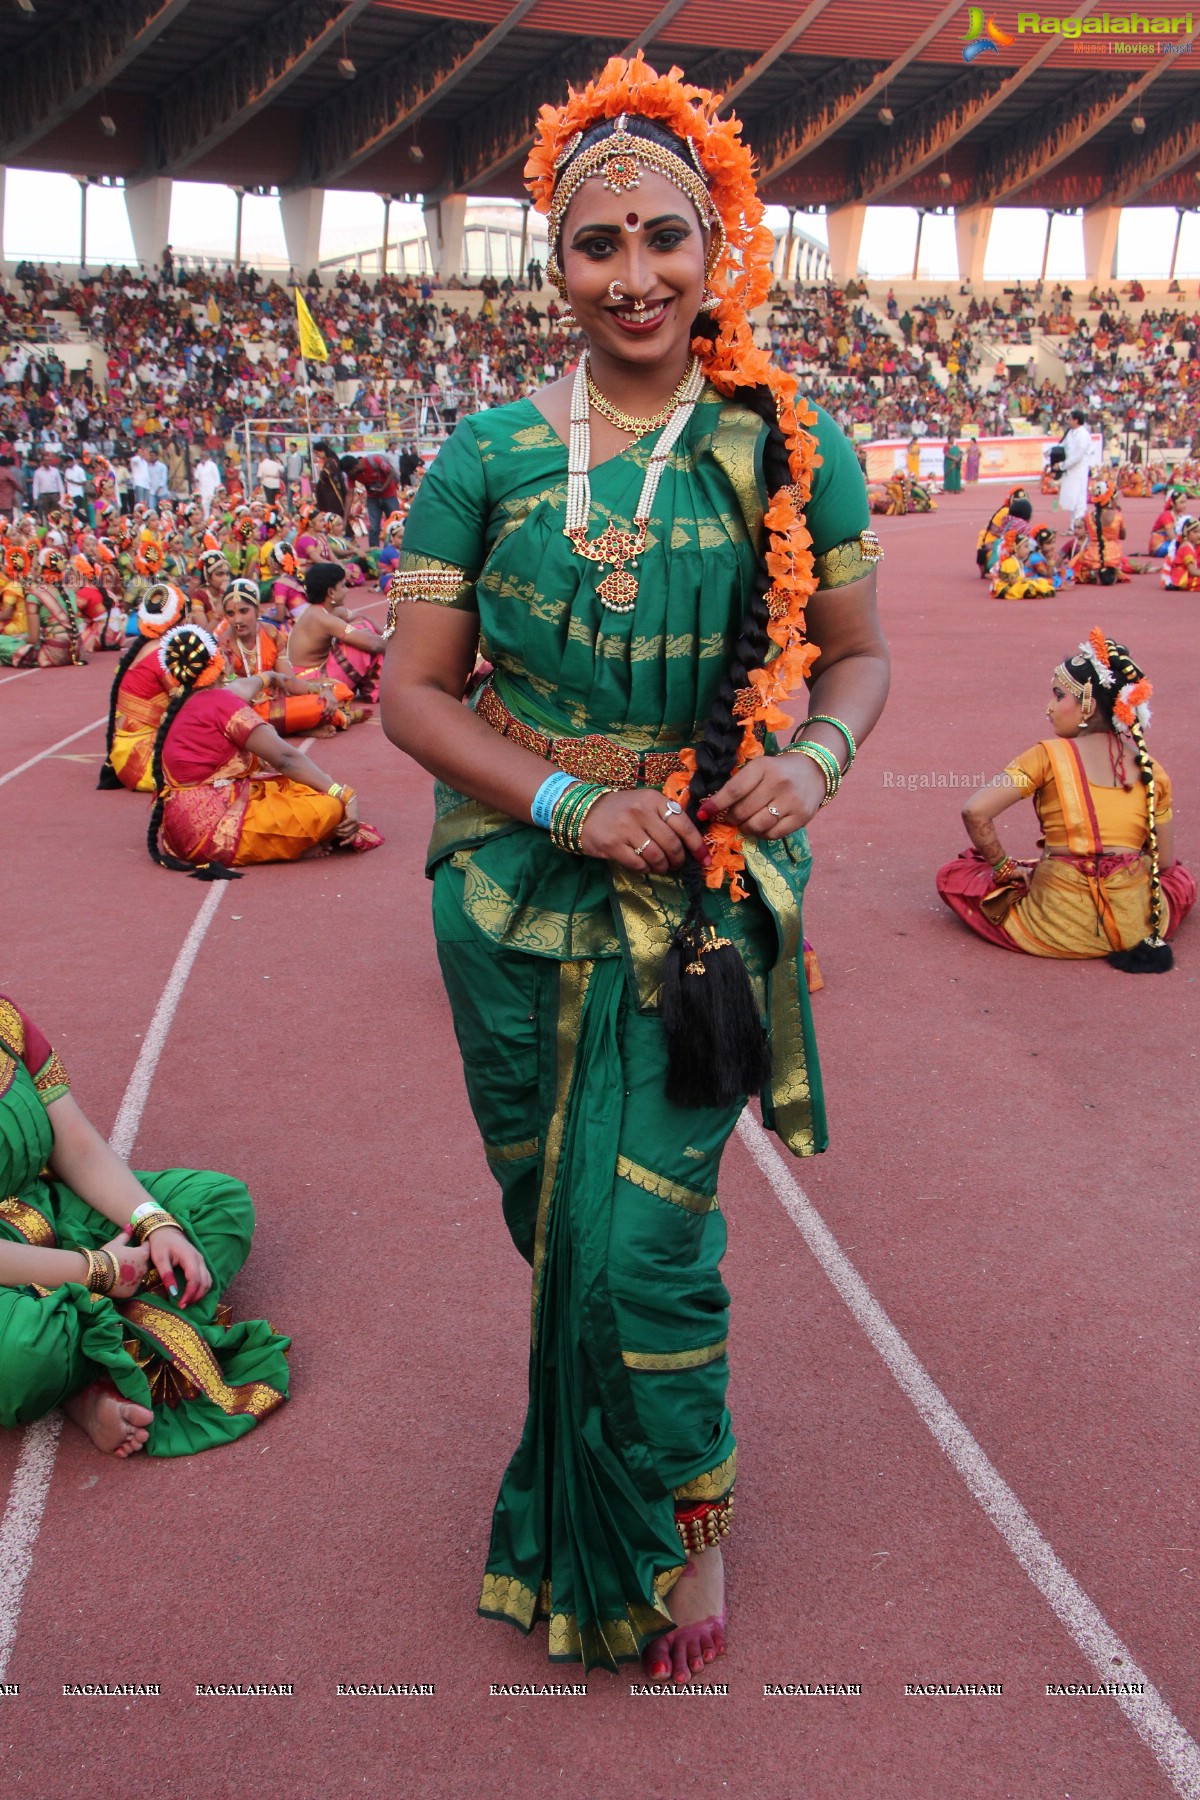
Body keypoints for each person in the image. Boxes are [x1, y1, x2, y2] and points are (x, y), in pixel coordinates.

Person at [380, 56, 888, 1680]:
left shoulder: (793, 450)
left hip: (699, 914)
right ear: (554, 263)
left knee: (646, 1236)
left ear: (718, 236)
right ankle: (603, 1463)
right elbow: (409, 695)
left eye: (665, 236)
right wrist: (560, 806)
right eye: (596, 247)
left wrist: (814, 757)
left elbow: (860, 661)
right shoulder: (485, 456)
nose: (635, 275)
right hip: (512, 899)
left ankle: (689, 1522)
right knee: (559, 1233)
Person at [0, 993, 290, 1457]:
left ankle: (92, 1356)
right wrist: (98, 1271)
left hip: (47, 1205)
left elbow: (76, 1147)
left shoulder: (3, 1017)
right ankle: (85, 1389)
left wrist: (156, 1225)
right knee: (24, 1355)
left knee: (218, 1206)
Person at [937, 630, 1194, 969]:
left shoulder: (1047, 755)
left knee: (959, 872)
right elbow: (1164, 864)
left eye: (1059, 696)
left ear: (1087, 703)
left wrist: (1005, 868)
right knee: (1180, 880)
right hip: (1137, 927)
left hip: (1057, 926)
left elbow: (975, 811)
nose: (1049, 707)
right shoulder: (1152, 769)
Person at [147, 625, 382, 874]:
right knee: (329, 809)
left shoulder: (185, 701)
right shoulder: (221, 702)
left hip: (177, 826)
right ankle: (298, 844)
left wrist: (269, 677)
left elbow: (248, 685)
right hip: (210, 831)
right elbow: (286, 759)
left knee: (298, 786)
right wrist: (343, 794)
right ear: (219, 662)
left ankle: (297, 838)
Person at [216, 578, 345, 735]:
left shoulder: (271, 633)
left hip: (276, 702)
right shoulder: (223, 644)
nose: (237, 620)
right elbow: (226, 697)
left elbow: (289, 682)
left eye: (243, 611)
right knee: (319, 707)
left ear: (257, 610)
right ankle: (300, 728)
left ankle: (294, 726)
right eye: (230, 614)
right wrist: (230, 676)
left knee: (338, 690)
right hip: (245, 709)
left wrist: (322, 690)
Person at [96, 582, 188, 791]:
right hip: (140, 759)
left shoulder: (149, 647)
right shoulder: (161, 655)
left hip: (127, 752)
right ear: (177, 621)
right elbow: (187, 701)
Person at [285, 562, 385, 712]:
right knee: (362, 643)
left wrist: (384, 634)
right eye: (343, 586)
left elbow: (361, 617)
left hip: (316, 670)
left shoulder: (325, 610)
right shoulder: (321, 618)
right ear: (331, 592)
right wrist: (405, 647)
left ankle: (374, 687)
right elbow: (373, 644)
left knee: (363, 626)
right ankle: (377, 688)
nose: (346, 590)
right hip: (308, 679)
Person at [338, 452, 398, 547]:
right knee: (374, 528)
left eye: (348, 472)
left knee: (394, 524)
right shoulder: (352, 475)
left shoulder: (374, 461)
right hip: (373, 498)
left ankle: (392, 551)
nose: (349, 475)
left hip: (389, 495)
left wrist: (383, 488)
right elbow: (350, 495)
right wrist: (345, 519)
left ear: (353, 467)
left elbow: (391, 472)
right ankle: (374, 552)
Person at [991, 529, 1054, 599]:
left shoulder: (1018, 561)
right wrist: (1028, 580)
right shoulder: (1010, 562)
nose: (1029, 550)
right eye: (1026, 547)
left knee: (1042, 581)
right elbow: (1013, 582)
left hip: (1019, 582)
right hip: (1009, 586)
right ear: (1016, 549)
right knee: (1027, 586)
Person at [1056, 408, 1092, 526]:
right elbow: (1061, 446)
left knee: (1079, 499)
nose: (1068, 421)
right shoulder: (1070, 433)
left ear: (1076, 420)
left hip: (1078, 470)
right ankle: (1073, 526)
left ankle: (1079, 526)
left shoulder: (1083, 435)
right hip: (1070, 470)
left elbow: (1078, 456)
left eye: (1070, 418)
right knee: (1071, 499)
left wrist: (1062, 465)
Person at [1162, 514, 1200, 590]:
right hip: (1184, 580)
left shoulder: (1190, 546)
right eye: (1195, 532)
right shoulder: (1186, 548)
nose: (1199, 535)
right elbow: (1192, 571)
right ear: (1186, 533)